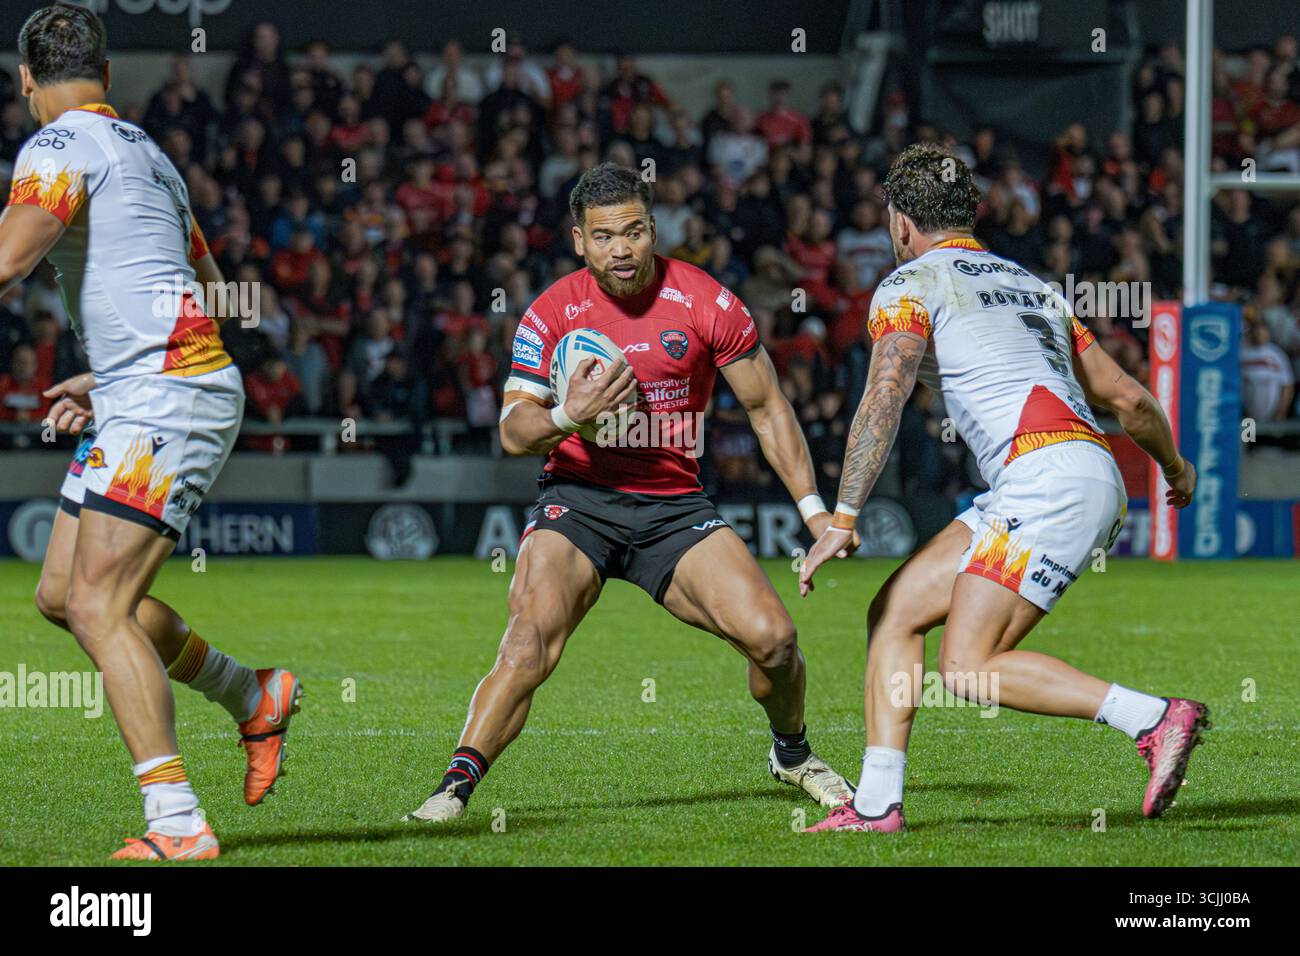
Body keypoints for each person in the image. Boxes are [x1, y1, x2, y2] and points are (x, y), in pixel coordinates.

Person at [405, 163, 858, 823]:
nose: (622, 248)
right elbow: (512, 430)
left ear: (653, 230)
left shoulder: (706, 301)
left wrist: (816, 514)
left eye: (635, 232)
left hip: (673, 509)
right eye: (605, 235)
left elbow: (767, 408)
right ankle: (453, 788)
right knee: (529, 641)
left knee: (776, 641)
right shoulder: (552, 312)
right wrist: (569, 414)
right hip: (578, 500)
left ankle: (791, 754)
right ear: (579, 241)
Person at [799, 144, 1207, 832]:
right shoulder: (1033, 287)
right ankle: (876, 805)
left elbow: (882, 398)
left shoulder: (912, 283)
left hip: (1045, 481)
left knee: (967, 668)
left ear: (900, 222)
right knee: (894, 611)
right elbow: (1130, 398)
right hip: (1068, 473)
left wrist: (842, 515)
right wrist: (1174, 468)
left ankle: (1156, 717)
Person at [1, 4, 301, 860]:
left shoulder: (56, 148)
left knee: (99, 604)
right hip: (153, 388)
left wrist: (135, 375)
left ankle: (178, 825)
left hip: (166, 397)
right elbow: (204, 283)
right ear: (108, 75)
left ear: (26, 78)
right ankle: (252, 695)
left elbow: (8, 261)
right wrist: (111, 375)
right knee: (66, 595)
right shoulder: (150, 156)